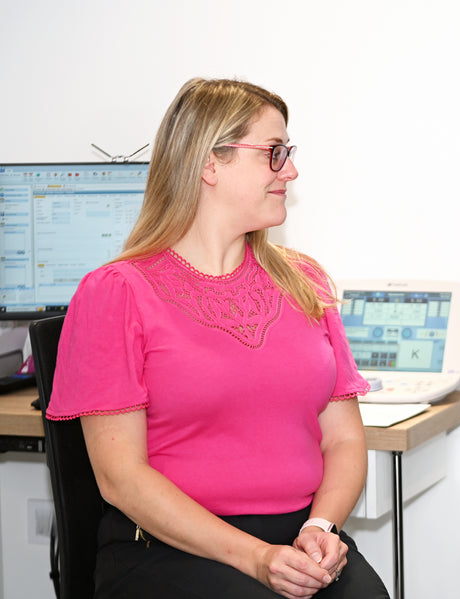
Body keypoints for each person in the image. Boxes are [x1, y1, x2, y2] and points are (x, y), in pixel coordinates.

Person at [47, 78, 389, 599]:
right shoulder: (117, 293)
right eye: (274, 153)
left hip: (298, 537)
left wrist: (322, 528)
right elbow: (121, 478)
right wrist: (256, 558)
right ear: (211, 163)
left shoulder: (305, 282)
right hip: (170, 547)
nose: (291, 171)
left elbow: (342, 438)